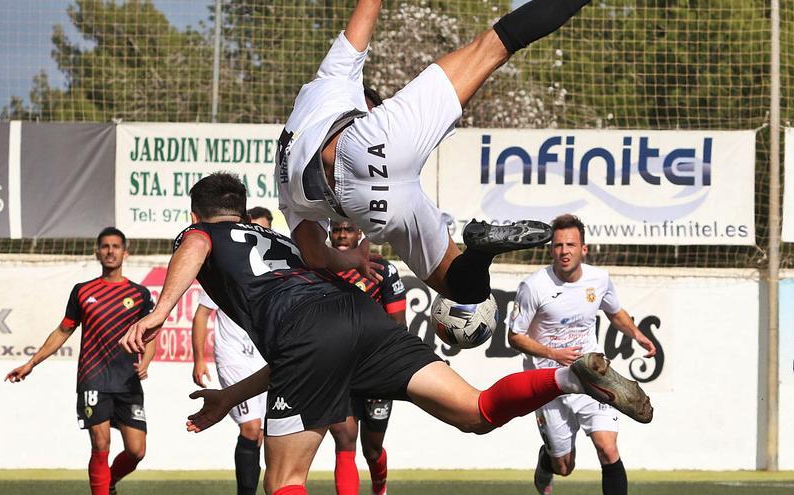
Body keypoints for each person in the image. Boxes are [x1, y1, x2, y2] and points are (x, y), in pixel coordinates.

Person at [118, 173, 652, 495]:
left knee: (282, 482)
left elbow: (195, 247)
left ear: (196, 214)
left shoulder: (200, 232)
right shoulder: (274, 239)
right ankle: (567, 376)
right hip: (358, 315)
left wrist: (160, 311)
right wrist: (229, 398)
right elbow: (308, 328)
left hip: (307, 333)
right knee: (477, 412)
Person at [275, 0, 595, 304]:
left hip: (374, 208)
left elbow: (314, 254)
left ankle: (481, 252)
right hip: (370, 143)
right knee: (494, 45)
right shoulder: (331, 78)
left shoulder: (285, 185)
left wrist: (351, 258)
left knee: (464, 289)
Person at [507, 214, 657, 495]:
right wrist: (553, 352)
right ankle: (546, 460)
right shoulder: (534, 286)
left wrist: (637, 335)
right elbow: (514, 337)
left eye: (571, 245)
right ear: (551, 248)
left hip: (592, 376)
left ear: (583, 249)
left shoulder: (599, 280)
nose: (564, 251)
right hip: (549, 381)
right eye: (558, 245)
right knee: (564, 466)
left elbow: (614, 312)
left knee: (608, 448)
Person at [6, 227, 155, 495]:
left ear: (125, 252)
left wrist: (147, 361)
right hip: (93, 378)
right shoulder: (83, 291)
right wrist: (31, 363)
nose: (110, 251)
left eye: (116, 246)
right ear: (97, 252)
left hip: (127, 380)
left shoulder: (140, 294)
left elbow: (151, 333)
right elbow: (63, 330)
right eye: (105, 246)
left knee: (136, 450)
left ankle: (108, 482)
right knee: (100, 444)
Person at [190, 208, 273, 495]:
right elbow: (202, 315)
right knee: (250, 428)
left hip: (266, 361)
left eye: (267, 229)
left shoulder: (276, 266)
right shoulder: (227, 265)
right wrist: (199, 359)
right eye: (256, 227)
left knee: (263, 433)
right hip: (233, 358)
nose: (261, 234)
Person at [327, 219, 406, 495]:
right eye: (336, 229)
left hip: (376, 370)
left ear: (359, 232)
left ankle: (379, 486)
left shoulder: (383, 269)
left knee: (371, 451)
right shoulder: (319, 270)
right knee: (344, 441)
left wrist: (390, 366)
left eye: (348, 229)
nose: (341, 235)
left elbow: (399, 325)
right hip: (337, 370)